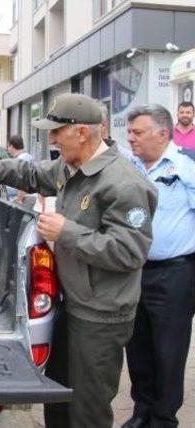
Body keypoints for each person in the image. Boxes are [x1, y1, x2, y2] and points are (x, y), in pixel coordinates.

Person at [0, 93, 158, 428]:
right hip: (70, 303)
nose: (50, 138)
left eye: (56, 131)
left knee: (87, 407)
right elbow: (32, 173)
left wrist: (67, 232)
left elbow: (130, 252)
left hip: (100, 315)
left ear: (81, 132)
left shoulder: (124, 184)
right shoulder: (72, 167)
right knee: (59, 400)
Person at [123, 104, 195, 428]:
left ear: (163, 133)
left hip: (174, 274)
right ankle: (142, 412)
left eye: (138, 132)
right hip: (133, 272)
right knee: (137, 350)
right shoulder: (129, 166)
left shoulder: (186, 167)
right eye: (130, 132)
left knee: (169, 352)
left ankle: (164, 419)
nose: (131, 138)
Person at [4, 135, 34, 204]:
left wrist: (18, 200)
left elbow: (24, 183)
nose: (7, 149)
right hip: (21, 198)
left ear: (11, 146)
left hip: (20, 200)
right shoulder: (27, 157)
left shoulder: (21, 160)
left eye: (7, 146)